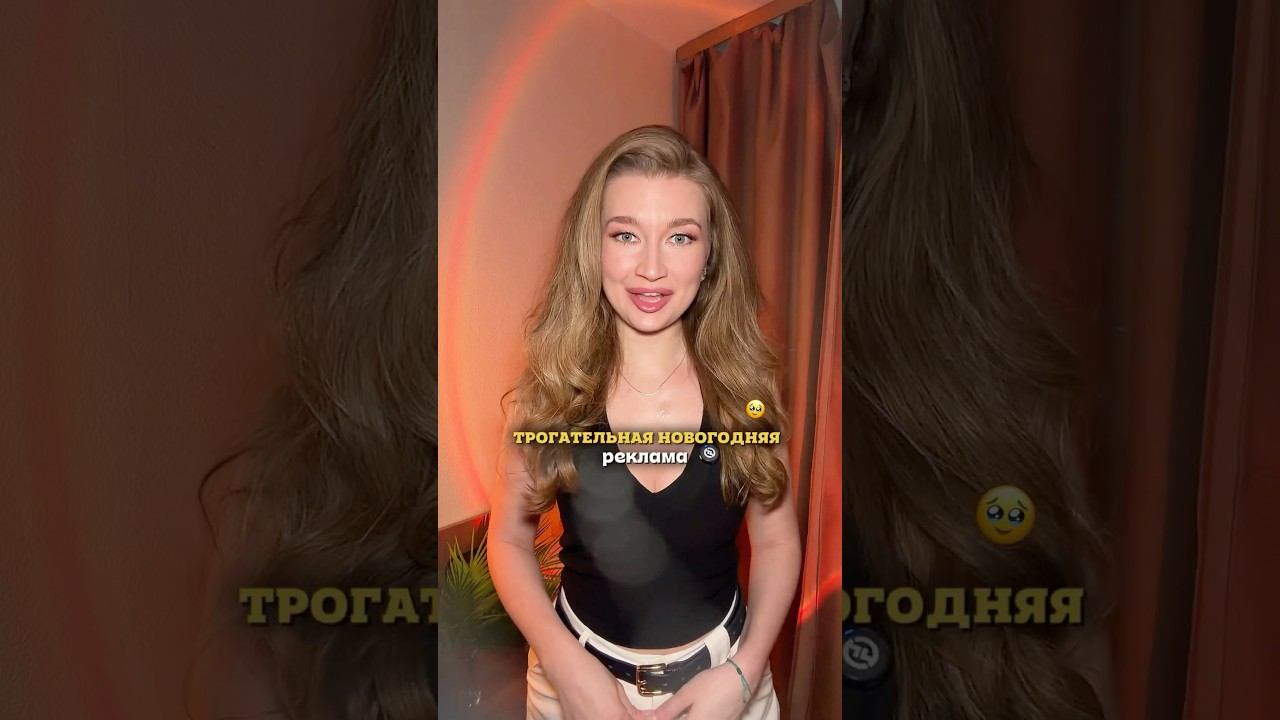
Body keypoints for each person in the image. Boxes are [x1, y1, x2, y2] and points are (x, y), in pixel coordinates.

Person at [487, 125, 802, 720]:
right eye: (626, 234)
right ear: (593, 248)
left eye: (680, 237)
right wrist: (563, 664)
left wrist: (745, 670)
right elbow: (507, 539)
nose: (651, 268)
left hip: (727, 686)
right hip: (572, 687)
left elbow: (778, 539)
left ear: (710, 257)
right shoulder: (550, 394)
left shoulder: (748, 397)